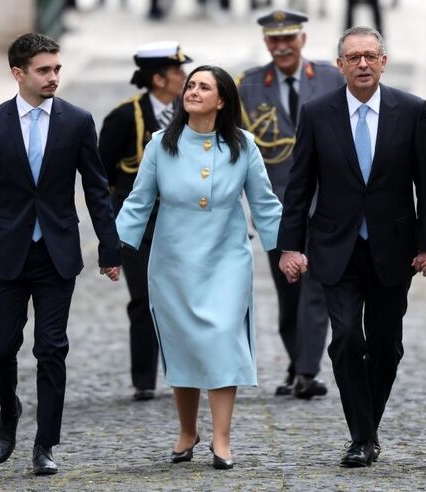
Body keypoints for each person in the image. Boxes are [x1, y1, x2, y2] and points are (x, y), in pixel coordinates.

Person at [277, 26, 426, 467]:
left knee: (387, 345)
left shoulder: (411, 110)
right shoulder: (317, 113)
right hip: (337, 247)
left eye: (371, 56)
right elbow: (299, 186)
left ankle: (365, 432)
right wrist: (289, 247)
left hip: (393, 248)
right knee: (347, 337)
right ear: (340, 66)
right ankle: (363, 437)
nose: (363, 64)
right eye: (353, 57)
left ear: (384, 62)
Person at [0, 33, 122, 475]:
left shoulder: (77, 121)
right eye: (43, 70)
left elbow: (96, 189)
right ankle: (8, 408)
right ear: (18, 73)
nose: (53, 77)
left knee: (51, 349)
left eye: (57, 69)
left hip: (56, 253)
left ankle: (45, 444)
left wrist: (109, 248)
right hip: (3, 255)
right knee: (0, 348)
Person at [115, 65, 281, 469]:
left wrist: (287, 250)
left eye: (204, 87)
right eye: (191, 85)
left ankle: (222, 439)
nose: (192, 91)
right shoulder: (160, 144)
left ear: (221, 100)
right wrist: (114, 249)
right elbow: (139, 201)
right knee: (184, 343)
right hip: (173, 261)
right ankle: (187, 431)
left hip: (227, 258)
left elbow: (264, 202)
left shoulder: (244, 145)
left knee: (223, 339)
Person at [237, 9, 344, 400]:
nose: (282, 46)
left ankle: (307, 371)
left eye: (289, 38)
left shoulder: (331, 77)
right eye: (274, 40)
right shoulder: (249, 85)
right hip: (276, 209)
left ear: (303, 39)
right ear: (266, 43)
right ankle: (297, 363)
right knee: (289, 294)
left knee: (317, 290)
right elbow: (237, 147)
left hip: (327, 203)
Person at [99, 41, 192, 402]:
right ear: (158, 79)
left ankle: (187, 373)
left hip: (183, 224)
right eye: (178, 72)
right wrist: (111, 234)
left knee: (185, 299)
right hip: (138, 227)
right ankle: (144, 379)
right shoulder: (125, 117)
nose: (185, 78)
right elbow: (102, 179)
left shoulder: (193, 113)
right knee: (143, 298)